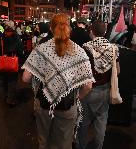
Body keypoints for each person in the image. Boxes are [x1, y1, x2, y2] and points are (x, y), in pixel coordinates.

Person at [22, 13, 94, 149]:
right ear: (69, 28)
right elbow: (88, 86)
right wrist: (76, 98)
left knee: (44, 141)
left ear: (51, 28)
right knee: (64, 144)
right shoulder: (79, 52)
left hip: (43, 104)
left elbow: (25, 78)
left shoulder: (41, 49)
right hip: (67, 105)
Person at [77, 21, 120, 149]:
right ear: (105, 32)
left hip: (88, 90)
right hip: (105, 90)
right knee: (101, 122)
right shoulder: (113, 48)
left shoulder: (85, 48)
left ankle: (81, 146)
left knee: (83, 123)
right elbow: (117, 70)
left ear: (91, 32)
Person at [0, 20, 24, 107]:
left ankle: (6, 95)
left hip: (3, 60)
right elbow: (19, 48)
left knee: (5, 79)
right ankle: (10, 99)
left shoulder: (3, 35)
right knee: (12, 81)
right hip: (12, 61)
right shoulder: (15, 35)